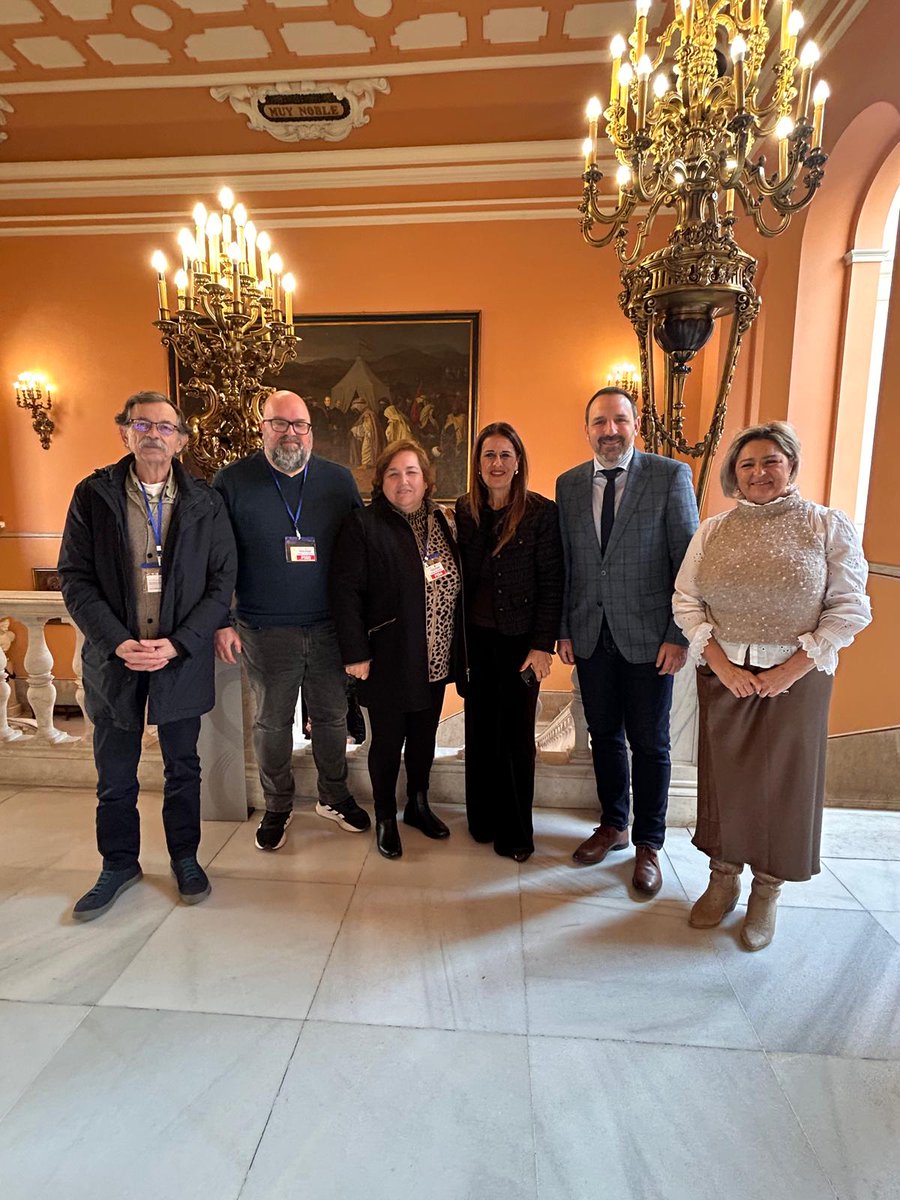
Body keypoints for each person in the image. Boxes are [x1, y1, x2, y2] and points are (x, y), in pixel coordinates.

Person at [673, 422, 871, 949]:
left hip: (797, 680)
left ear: (791, 466)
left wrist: (790, 670)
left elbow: (849, 609)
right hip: (726, 676)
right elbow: (687, 600)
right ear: (733, 474)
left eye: (770, 461)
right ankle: (722, 881)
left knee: (784, 787)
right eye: (747, 464)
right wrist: (721, 664)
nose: (759, 473)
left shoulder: (826, 526)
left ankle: (767, 890)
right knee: (725, 783)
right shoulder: (713, 531)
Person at [58, 390, 237, 919]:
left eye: (164, 426)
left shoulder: (206, 502)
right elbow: (75, 578)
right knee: (115, 774)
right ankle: (118, 864)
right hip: (116, 660)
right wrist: (117, 640)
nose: (153, 434)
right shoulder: (92, 495)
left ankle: (185, 857)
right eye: (142, 424)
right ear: (124, 432)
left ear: (181, 440)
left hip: (180, 658)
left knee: (184, 768)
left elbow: (222, 582)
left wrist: (178, 643)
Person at [213, 390, 370, 851]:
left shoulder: (339, 481)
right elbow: (218, 557)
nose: (290, 433)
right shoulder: (232, 481)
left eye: (298, 424)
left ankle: (333, 796)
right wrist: (222, 618)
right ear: (262, 427)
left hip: (328, 627)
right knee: (272, 723)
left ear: (311, 431)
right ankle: (277, 804)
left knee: (332, 717)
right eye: (279, 423)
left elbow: (359, 555)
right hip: (263, 629)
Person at [556, 388, 699, 894]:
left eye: (619, 420)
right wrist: (565, 629)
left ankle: (649, 843)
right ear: (587, 428)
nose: (609, 430)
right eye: (599, 422)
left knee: (651, 743)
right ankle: (614, 824)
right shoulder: (569, 484)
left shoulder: (669, 476)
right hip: (591, 637)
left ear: (635, 425)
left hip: (649, 640)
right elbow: (569, 564)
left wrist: (678, 635)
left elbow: (689, 562)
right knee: (604, 737)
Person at [330, 440, 464, 859]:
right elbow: (345, 592)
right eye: (393, 473)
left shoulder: (443, 522)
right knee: (388, 742)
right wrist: (355, 653)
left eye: (411, 472)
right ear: (381, 481)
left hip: (436, 656)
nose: (403, 481)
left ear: (426, 480)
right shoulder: (364, 525)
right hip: (388, 656)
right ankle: (386, 815)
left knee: (424, 737)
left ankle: (418, 805)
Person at [455, 422, 563, 861]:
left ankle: (516, 833)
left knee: (516, 737)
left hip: (521, 646)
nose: (496, 463)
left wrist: (542, 646)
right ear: (477, 465)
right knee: (480, 732)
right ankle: (481, 820)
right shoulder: (464, 512)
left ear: (518, 463)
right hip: (476, 643)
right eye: (488, 456)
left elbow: (552, 583)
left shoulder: (540, 513)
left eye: (504, 455)